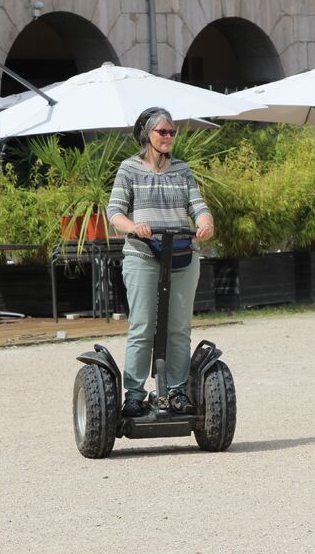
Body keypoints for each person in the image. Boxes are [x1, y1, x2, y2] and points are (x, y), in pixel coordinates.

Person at [106, 107, 215, 417]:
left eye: (172, 132)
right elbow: (114, 212)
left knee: (179, 328)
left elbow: (199, 207)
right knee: (142, 326)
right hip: (142, 255)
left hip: (182, 254)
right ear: (146, 135)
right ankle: (136, 395)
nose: (168, 137)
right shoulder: (129, 169)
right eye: (162, 132)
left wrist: (205, 223)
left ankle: (177, 392)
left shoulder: (182, 170)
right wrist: (133, 227)